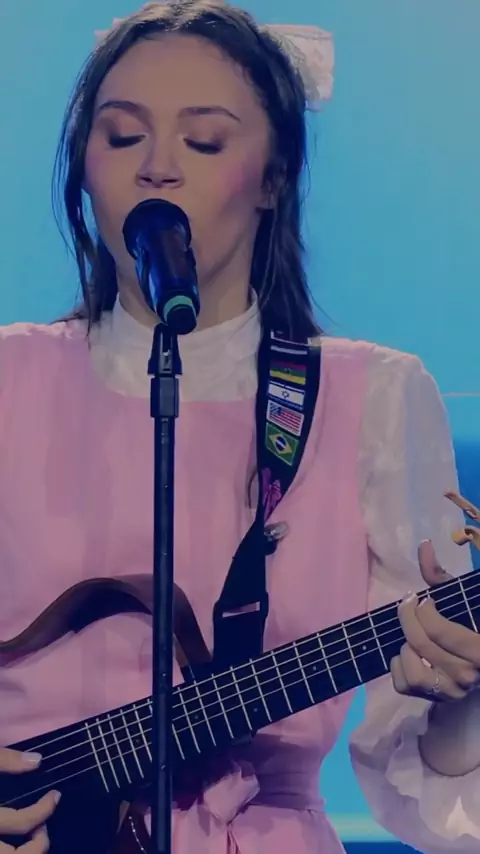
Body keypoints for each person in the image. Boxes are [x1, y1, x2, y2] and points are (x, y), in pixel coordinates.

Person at [0, 1, 479, 852]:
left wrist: (460, 704)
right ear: (82, 170)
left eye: (204, 141)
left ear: (273, 178)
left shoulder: (375, 396)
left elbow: (424, 789)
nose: (156, 169)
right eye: (121, 136)